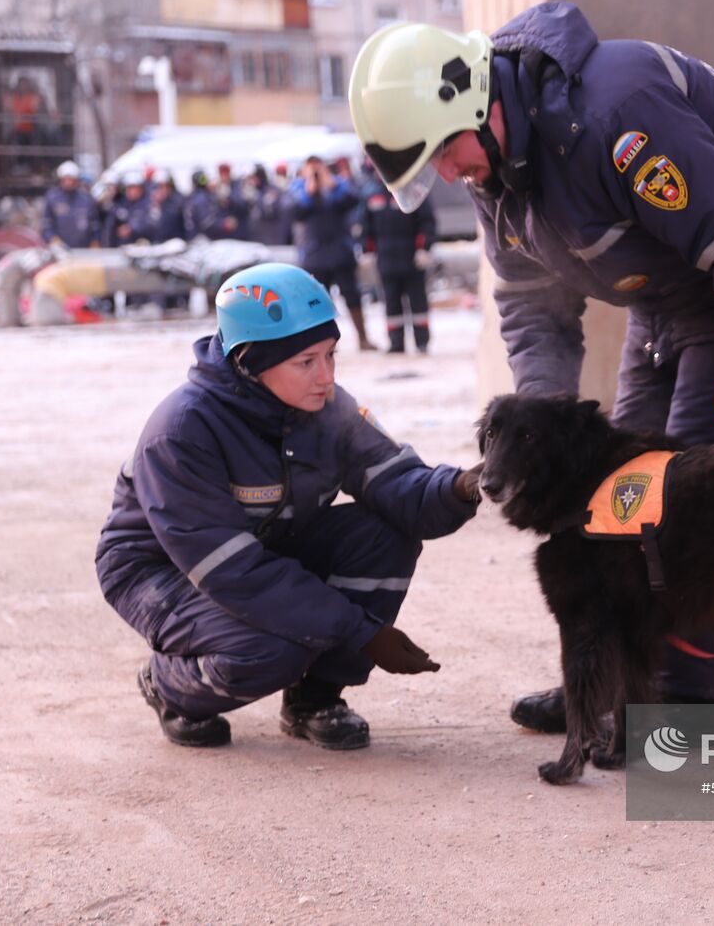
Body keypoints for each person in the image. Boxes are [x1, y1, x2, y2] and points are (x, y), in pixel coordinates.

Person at [349, 4, 714, 732]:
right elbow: (531, 312)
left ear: (474, 99)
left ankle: (691, 705)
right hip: (666, 296)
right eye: (432, 168)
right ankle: (609, 685)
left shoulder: (616, 112)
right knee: (616, 496)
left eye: (444, 152)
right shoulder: (498, 181)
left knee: (684, 498)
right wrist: (540, 438)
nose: (450, 175)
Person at [95, 262, 482, 749]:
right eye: (306, 362)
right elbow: (233, 572)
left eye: (331, 355)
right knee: (272, 646)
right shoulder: (182, 432)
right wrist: (363, 632)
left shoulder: (326, 409)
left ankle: (313, 700)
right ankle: (171, 687)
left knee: (384, 534)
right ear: (249, 361)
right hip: (161, 569)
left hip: (267, 543)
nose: (326, 376)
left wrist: (463, 486)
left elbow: (397, 484)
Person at [290, 156, 374, 351]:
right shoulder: (298, 188)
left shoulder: (337, 186)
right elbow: (297, 211)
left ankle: (363, 338)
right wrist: (311, 187)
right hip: (314, 256)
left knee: (353, 296)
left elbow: (352, 200)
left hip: (340, 253)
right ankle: (323, 344)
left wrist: (332, 184)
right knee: (317, 303)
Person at [359, 171, 436, 354]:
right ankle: (396, 344)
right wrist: (367, 251)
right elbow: (365, 226)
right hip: (386, 260)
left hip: (412, 260)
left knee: (418, 302)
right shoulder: (371, 194)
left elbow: (427, 222)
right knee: (391, 303)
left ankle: (422, 342)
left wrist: (424, 248)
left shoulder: (414, 191)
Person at [40, 161, 100, 249]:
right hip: (61, 250)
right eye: (66, 179)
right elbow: (46, 224)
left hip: (84, 249)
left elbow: (94, 224)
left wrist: (95, 241)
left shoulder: (86, 199)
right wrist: (52, 238)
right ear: (61, 179)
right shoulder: (52, 198)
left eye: (71, 179)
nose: (69, 183)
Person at [245, 164, 294, 246]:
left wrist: (259, 200)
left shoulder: (271, 191)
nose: (251, 181)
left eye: (253, 178)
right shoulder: (255, 192)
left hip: (271, 238)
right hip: (256, 237)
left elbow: (270, 212)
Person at [105, 172, 148, 246]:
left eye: (133, 188)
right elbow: (110, 226)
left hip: (140, 247)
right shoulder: (120, 204)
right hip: (119, 246)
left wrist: (131, 229)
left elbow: (150, 225)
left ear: (141, 189)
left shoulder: (147, 204)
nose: (130, 191)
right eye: (128, 188)